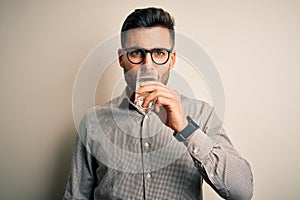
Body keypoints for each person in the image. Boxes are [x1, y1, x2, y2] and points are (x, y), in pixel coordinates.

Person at [63, 7, 253, 200]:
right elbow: (75, 196)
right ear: (122, 59)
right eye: (137, 53)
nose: (148, 65)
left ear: (172, 59)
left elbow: (242, 192)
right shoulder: (93, 122)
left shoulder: (202, 114)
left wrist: (186, 129)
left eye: (159, 53)